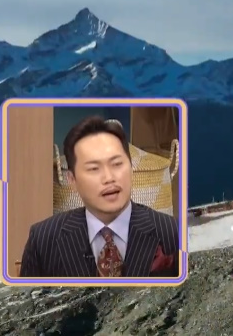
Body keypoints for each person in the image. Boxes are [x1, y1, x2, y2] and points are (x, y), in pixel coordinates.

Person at [19, 116, 180, 278]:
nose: (109, 178)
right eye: (94, 169)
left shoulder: (172, 232)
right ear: (72, 180)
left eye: (117, 164)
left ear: (131, 168)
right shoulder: (43, 239)